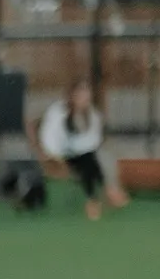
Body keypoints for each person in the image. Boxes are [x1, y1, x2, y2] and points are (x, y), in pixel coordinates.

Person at [34, 78, 128, 221]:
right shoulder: (59, 112)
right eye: (81, 94)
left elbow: (93, 140)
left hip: (86, 154)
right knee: (88, 160)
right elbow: (50, 136)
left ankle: (95, 199)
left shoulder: (92, 114)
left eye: (86, 94)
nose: (84, 97)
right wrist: (52, 154)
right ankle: (108, 191)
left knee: (94, 158)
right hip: (63, 154)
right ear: (72, 95)